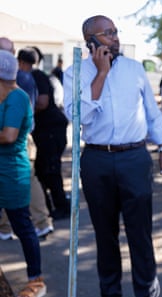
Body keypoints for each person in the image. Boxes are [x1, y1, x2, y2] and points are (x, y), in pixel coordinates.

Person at [63, 15, 162, 297]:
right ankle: (110, 291)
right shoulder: (76, 72)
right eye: (107, 33)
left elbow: (151, 112)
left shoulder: (135, 69)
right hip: (97, 160)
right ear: (90, 41)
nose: (115, 37)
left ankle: (147, 290)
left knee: (140, 233)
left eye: (115, 31)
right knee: (105, 234)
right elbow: (79, 115)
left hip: (134, 157)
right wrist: (101, 73)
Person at [0, 49, 47, 297]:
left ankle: (36, 279)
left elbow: (8, 136)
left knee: (22, 225)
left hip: (12, 173)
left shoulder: (17, 97)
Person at [0, 38, 54, 240]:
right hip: (20, 136)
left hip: (18, 138)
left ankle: (38, 223)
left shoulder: (16, 79)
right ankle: (6, 227)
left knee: (26, 181)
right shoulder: (23, 77)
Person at [30, 46, 70, 220]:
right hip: (46, 130)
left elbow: (43, 102)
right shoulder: (37, 76)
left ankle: (61, 208)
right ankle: (49, 208)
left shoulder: (37, 76)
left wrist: (23, 113)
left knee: (51, 170)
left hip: (51, 130)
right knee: (42, 171)